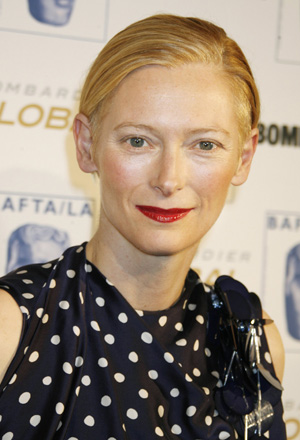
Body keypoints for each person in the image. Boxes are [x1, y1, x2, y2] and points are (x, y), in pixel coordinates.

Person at [0, 14, 286, 440]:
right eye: (138, 141)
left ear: (243, 158)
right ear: (86, 144)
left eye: (204, 144)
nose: (168, 179)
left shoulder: (250, 341)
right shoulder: (12, 327)